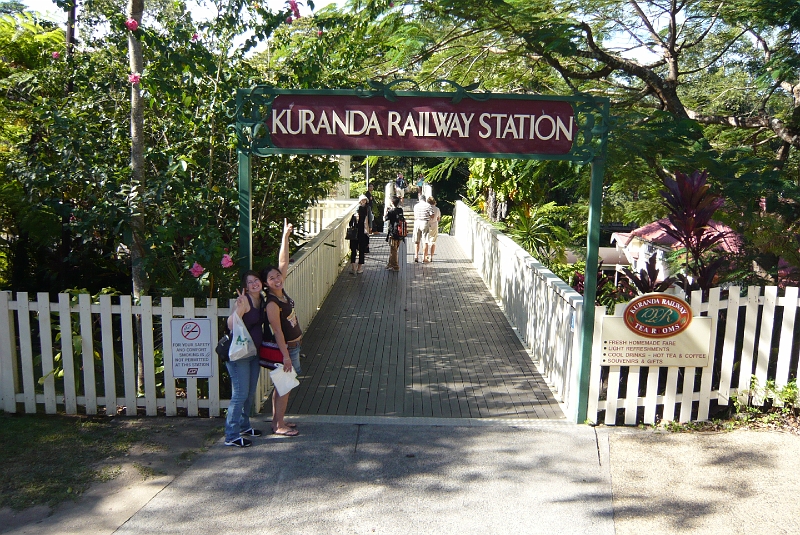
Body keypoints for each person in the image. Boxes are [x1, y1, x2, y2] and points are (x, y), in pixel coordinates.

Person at [261, 219, 302, 437]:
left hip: (292, 347)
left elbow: (283, 261)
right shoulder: (272, 304)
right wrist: (286, 356)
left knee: (281, 387)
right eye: (272, 278)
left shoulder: (280, 292)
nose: (277, 279)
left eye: (278, 276)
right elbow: (277, 331)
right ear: (265, 283)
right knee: (284, 387)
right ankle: (278, 427)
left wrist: (285, 237)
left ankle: (279, 420)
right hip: (286, 349)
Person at [223, 270, 265, 447]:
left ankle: (244, 425)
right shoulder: (245, 300)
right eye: (250, 282)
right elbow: (231, 325)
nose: (254, 284)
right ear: (245, 287)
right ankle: (231, 435)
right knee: (239, 394)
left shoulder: (262, 299)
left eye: (256, 280)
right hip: (239, 354)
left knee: (249, 393)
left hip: (253, 353)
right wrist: (238, 309)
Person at [349, 195, 370, 274]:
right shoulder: (365, 217)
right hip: (362, 234)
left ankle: (353, 267)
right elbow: (366, 227)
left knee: (353, 250)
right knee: (362, 251)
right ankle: (359, 268)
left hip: (354, 234)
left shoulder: (354, 216)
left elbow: (350, 224)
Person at [412, 191, 433, 263]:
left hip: (417, 222)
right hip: (425, 222)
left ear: (419, 199)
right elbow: (432, 214)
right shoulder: (428, 205)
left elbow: (415, 215)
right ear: (425, 199)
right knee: (425, 241)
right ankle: (424, 258)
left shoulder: (416, 206)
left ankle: (416, 256)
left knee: (416, 241)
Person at [384, 195, 404, 271]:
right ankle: (390, 264)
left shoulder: (391, 211)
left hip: (393, 233)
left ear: (392, 202)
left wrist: (386, 211)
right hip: (400, 233)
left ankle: (395, 266)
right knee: (394, 249)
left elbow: (384, 219)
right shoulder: (400, 210)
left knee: (394, 250)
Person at [423, 196, 441, 262]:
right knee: (433, 241)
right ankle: (431, 256)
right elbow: (438, 218)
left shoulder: (426, 208)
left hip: (427, 224)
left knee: (426, 241)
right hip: (434, 224)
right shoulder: (437, 209)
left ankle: (425, 256)